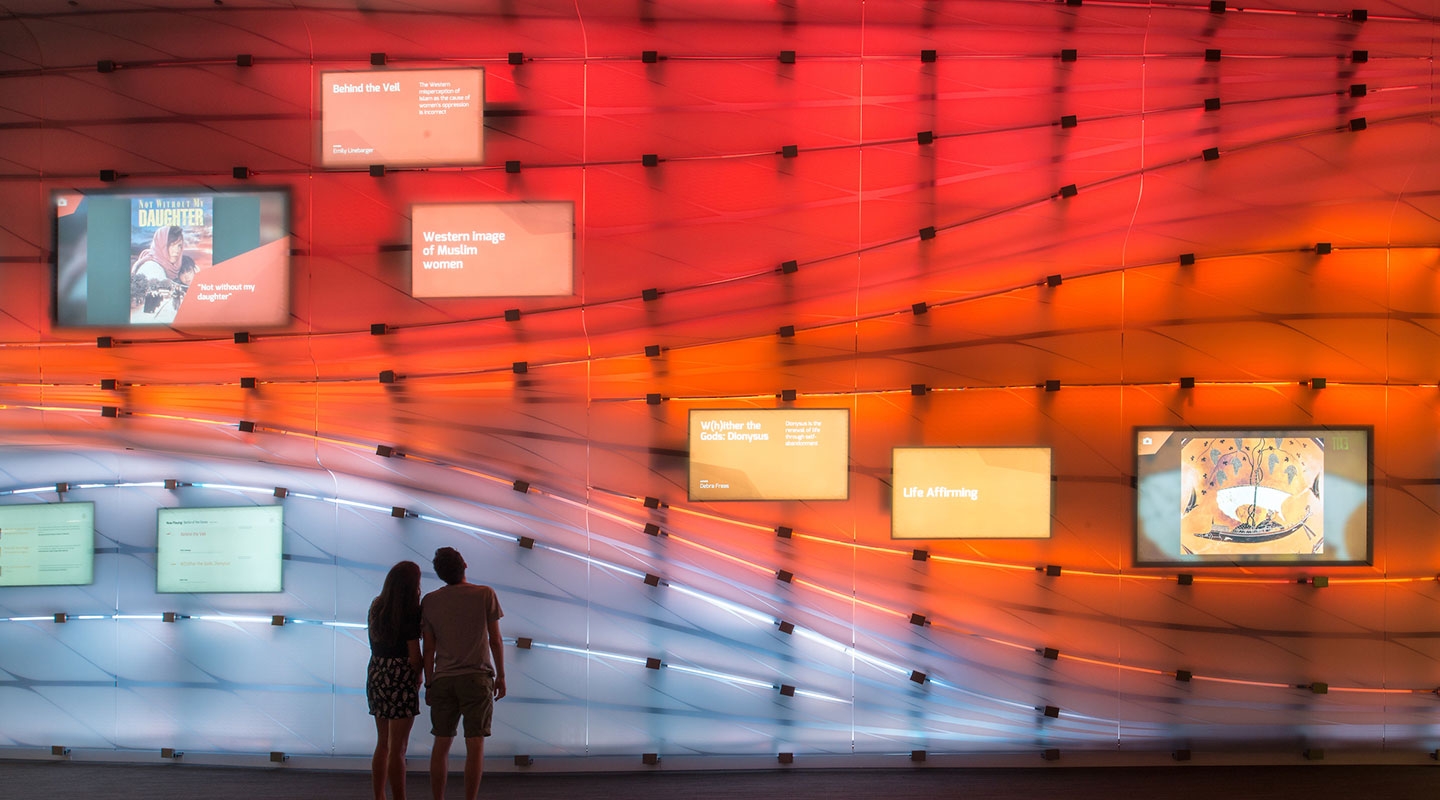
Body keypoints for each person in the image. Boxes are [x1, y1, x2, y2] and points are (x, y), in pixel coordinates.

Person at [421, 547, 505, 800]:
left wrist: (429, 682)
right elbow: (495, 640)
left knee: (441, 743)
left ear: (439, 574)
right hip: (476, 678)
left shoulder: (430, 601)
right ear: (464, 564)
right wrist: (500, 676)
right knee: (475, 743)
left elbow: (429, 647)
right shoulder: (484, 594)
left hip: (443, 679)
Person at [367, 561, 424, 800]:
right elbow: (414, 656)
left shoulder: (376, 605)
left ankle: (379, 795)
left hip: (377, 672)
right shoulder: (410, 611)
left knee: (383, 744)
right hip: (400, 677)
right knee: (398, 748)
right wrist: (420, 675)